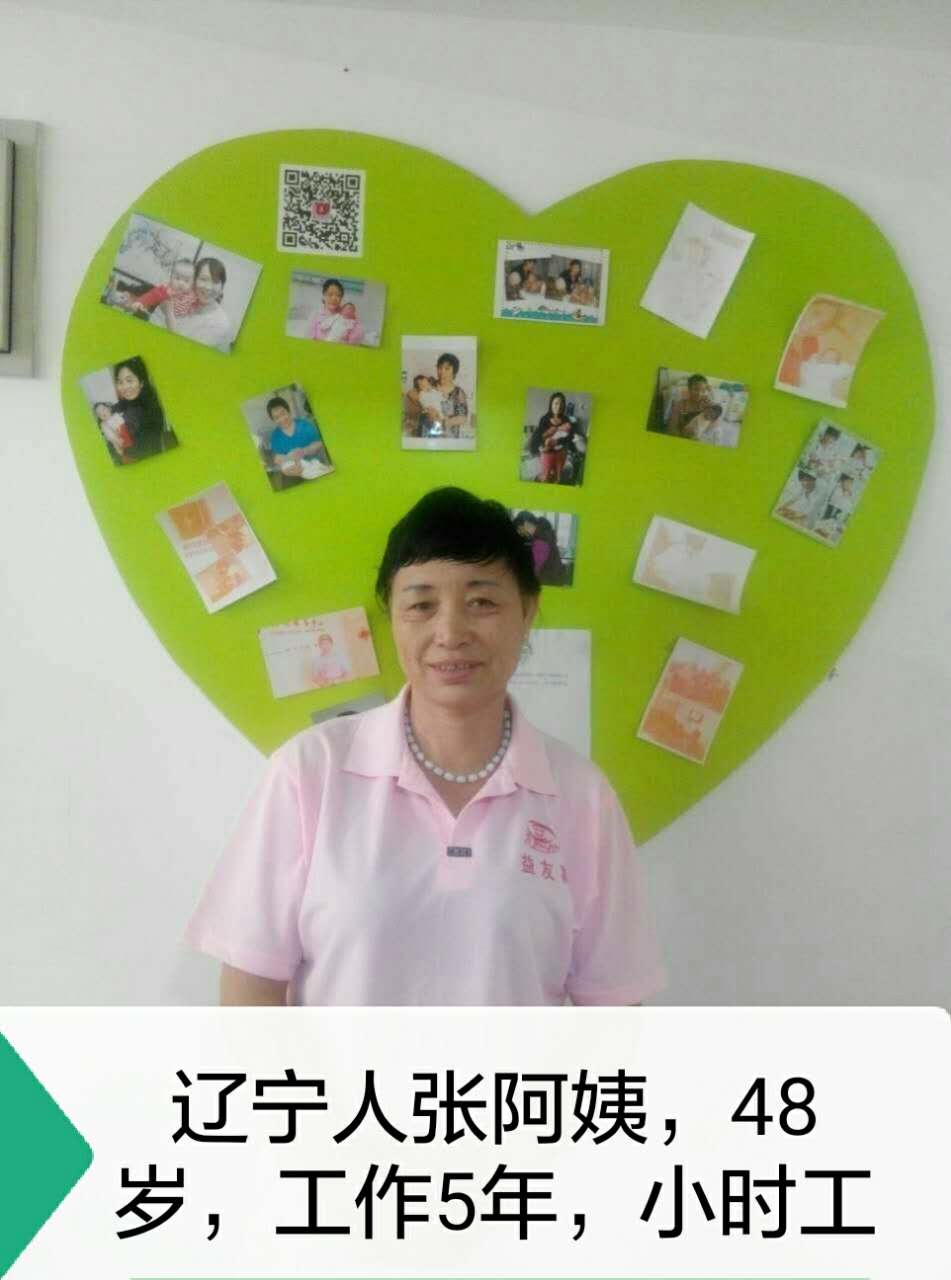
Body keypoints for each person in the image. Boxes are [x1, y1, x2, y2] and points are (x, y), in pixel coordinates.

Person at [187, 488, 663, 1006]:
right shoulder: (310, 772)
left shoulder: (581, 795)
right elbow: (249, 992)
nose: (451, 632)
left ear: (527, 612)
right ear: (391, 616)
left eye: (482, 602)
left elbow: (613, 1011)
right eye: (421, 605)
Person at [151, 256, 234, 353]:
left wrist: (169, 314)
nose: (208, 287)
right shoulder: (184, 301)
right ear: (193, 280)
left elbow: (185, 353)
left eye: (215, 282)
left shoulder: (219, 324)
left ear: (222, 287)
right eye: (203, 279)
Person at [110, 357, 169, 461]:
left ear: (141, 382)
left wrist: (120, 449)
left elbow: (145, 450)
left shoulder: (152, 408)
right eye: (120, 382)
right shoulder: (120, 405)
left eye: (129, 380)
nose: (124, 387)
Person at [527, 392, 583, 484]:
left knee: (558, 478)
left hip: (561, 454)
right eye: (556, 403)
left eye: (561, 404)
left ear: (564, 406)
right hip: (547, 454)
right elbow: (540, 436)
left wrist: (557, 441)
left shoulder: (566, 419)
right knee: (546, 477)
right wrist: (547, 441)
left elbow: (570, 437)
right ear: (551, 404)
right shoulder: (544, 419)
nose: (558, 406)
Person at [265, 396, 329, 470]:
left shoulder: (305, 425)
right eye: (277, 417)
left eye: (283, 414)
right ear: (273, 420)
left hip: (316, 467)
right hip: (295, 471)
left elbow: (319, 443)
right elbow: (277, 459)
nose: (282, 419)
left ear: (289, 411)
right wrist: (289, 457)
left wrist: (304, 451)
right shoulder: (275, 437)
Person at [128, 257, 198, 321]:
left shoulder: (192, 295)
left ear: (192, 283)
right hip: (160, 318)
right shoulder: (165, 289)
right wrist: (140, 302)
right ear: (171, 277)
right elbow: (152, 296)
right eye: (177, 278)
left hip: (179, 321)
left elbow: (195, 306)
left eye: (186, 280)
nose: (181, 283)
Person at [419, 352, 469, 438]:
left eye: (447, 369)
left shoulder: (458, 393)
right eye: (440, 368)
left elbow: (463, 417)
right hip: (427, 434)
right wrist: (425, 409)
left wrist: (442, 422)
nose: (442, 372)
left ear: (454, 371)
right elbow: (412, 394)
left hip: (448, 437)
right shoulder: (429, 384)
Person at [512, 510, 566, 586]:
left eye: (520, 529)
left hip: (548, 584)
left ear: (527, 524)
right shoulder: (543, 534)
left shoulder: (541, 541)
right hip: (552, 581)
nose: (521, 533)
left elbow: (532, 571)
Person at [308, 278, 365, 345]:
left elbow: (357, 335)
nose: (334, 298)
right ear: (324, 295)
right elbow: (311, 340)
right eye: (330, 294)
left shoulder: (347, 313)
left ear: (341, 298)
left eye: (338, 295)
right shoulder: (316, 316)